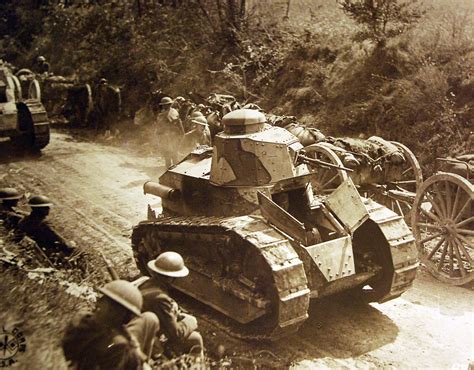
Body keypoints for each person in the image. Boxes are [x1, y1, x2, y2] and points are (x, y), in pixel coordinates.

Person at [63, 279, 159, 370]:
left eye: (117, 310)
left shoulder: (120, 344)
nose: (111, 312)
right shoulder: (83, 321)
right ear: (99, 301)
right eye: (111, 305)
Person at [138, 252, 203, 357]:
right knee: (195, 338)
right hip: (149, 341)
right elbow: (176, 335)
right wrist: (190, 322)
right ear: (171, 278)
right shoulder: (161, 298)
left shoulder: (145, 282)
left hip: (142, 331)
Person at [155, 97, 185, 168]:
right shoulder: (175, 112)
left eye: (164, 105)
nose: (164, 106)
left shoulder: (162, 115)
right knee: (174, 155)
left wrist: (159, 137)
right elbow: (180, 126)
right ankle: (176, 170)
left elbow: (159, 129)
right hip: (175, 137)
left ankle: (169, 171)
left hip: (167, 138)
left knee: (168, 155)